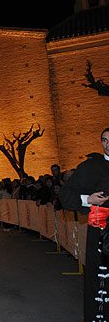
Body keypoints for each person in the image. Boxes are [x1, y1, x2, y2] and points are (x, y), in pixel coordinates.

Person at [60, 127, 109, 322]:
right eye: (104, 140)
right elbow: (65, 194)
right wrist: (87, 199)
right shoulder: (91, 167)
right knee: (100, 282)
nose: (107, 144)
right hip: (102, 235)